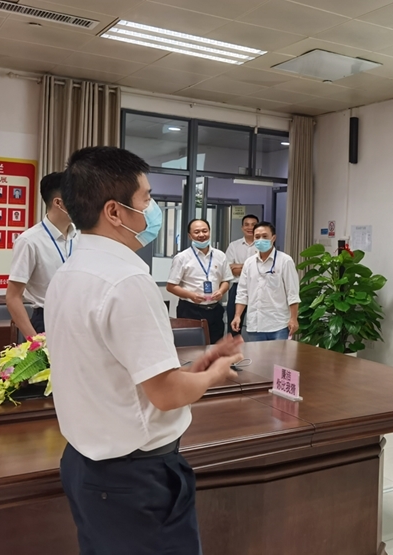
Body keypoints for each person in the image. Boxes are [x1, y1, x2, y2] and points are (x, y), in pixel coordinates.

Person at [44, 146, 242, 555]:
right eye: (147, 198)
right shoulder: (127, 280)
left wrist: (193, 368)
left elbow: (114, 372)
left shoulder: (68, 273)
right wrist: (213, 375)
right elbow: (165, 395)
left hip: (85, 466)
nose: (152, 210)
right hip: (134, 478)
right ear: (115, 212)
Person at [6, 172, 78, 338]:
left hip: (78, 318)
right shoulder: (29, 241)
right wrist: (34, 341)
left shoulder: (82, 236)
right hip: (46, 319)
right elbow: (13, 297)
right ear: (59, 203)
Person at [232, 221, 300, 341]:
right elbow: (242, 292)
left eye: (265, 236)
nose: (260, 240)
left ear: (273, 238)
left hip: (279, 324)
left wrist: (293, 318)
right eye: (257, 237)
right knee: (255, 354)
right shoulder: (249, 263)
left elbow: (292, 293)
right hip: (255, 324)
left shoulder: (285, 261)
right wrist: (237, 316)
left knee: (279, 354)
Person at [167, 219, 233, 342]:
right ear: (190, 235)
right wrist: (191, 295)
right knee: (191, 347)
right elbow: (171, 286)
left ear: (209, 232)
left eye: (205, 231)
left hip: (214, 309)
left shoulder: (220, 256)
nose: (201, 235)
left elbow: (226, 281)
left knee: (215, 346)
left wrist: (221, 291)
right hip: (190, 310)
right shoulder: (182, 257)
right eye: (197, 232)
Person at [224, 213, 259, 335]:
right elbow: (229, 269)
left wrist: (238, 266)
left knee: (257, 322)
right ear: (242, 227)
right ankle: (234, 344)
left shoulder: (263, 246)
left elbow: (261, 269)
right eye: (246, 225)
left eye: (253, 225)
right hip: (237, 287)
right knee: (233, 321)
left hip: (258, 287)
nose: (250, 227)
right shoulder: (234, 245)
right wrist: (251, 267)